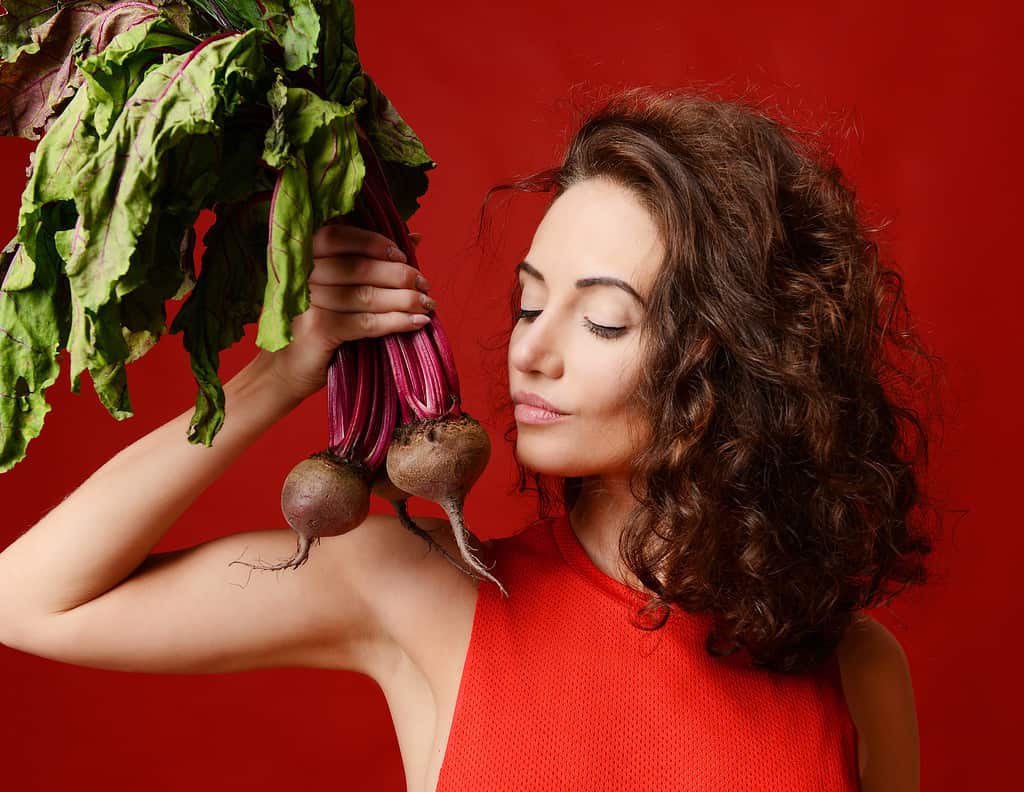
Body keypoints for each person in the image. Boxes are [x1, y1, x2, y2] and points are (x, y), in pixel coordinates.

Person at [0, 87, 932, 791]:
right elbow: (28, 600)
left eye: (601, 321)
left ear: (736, 361)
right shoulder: (415, 587)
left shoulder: (854, 671)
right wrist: (285, 370)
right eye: (530, 302)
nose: (532, 347)